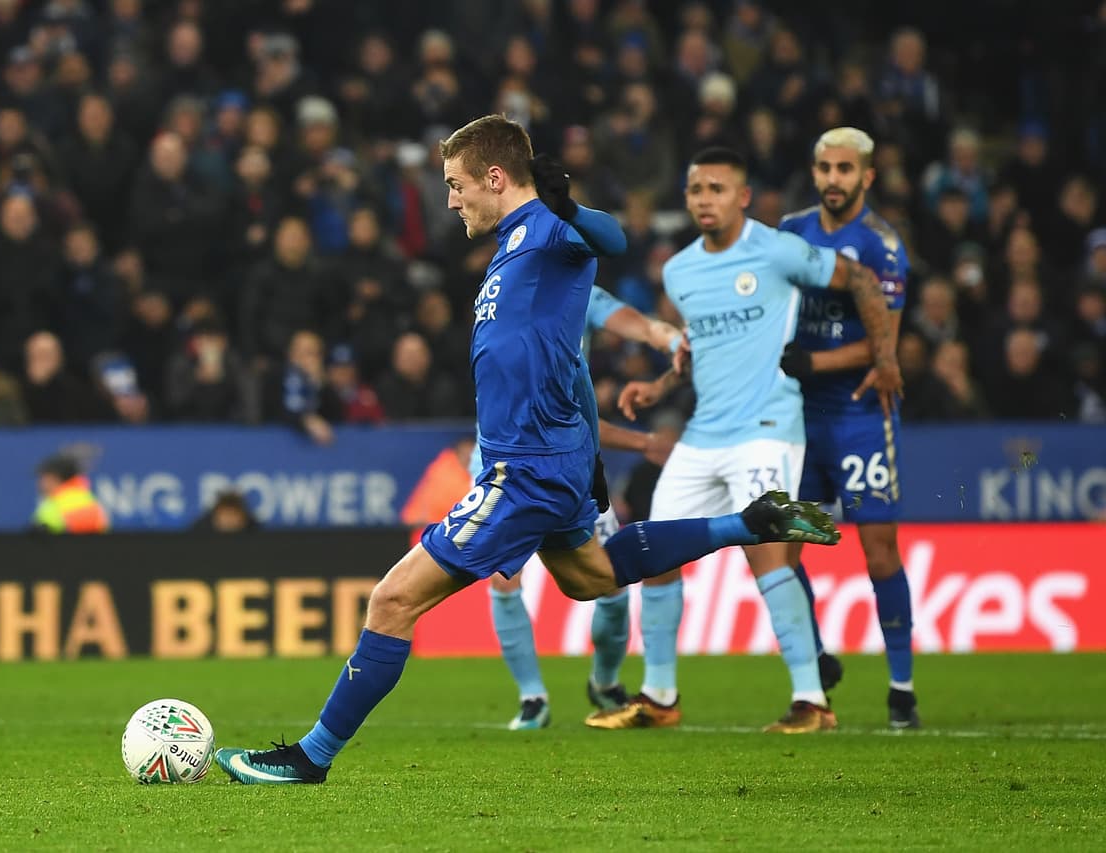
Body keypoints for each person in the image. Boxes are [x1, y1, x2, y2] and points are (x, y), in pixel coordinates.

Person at [214, 115, 840, 785]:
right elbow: (556, 357)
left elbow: (614, 236)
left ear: (494, 177)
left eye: (455, 185)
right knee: (589, 576)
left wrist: (565, 203)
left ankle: (310, 757)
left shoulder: (547, 229)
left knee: (392, 601)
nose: (450, 199)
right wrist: (588, 451)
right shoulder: (514, 246)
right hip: (554, 458)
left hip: (525, 468)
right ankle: (746, 523)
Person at [597, 146, 899, 735]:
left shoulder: (777, 250)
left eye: (715, 188)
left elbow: (860, 278)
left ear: (742, 197)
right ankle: (659, 696)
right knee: (656, 555)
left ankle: (812, 701)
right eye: (694, 189)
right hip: (704, 431)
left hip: (767, 428)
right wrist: (661, 385)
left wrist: (883, 355)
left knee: (766, 555)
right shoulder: (680, 270)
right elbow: (699, 347)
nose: (703, 199)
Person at [488, 284, 685, 731]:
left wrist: (669, 339)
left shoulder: (578, 289)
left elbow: (634, 323)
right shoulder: (502, 290)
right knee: (505, 578)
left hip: (573, 464)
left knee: (612, 587)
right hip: (509, 459)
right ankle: (532, 698)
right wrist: (645, 442)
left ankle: (605, 680)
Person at [776, 127, 919, 729]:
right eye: (824, 168)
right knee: (781, 548)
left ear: (867, 177)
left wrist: (814, 362)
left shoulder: (882, 247)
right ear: (814, 172)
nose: (833, 178)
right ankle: (816, 662)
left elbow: (884, 348)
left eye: (845, 169)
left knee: (878, 546)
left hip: (859, 412)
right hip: (794, 416)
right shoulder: (790, 232)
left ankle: (901, 687)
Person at [31, 453, 110, 534]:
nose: (39, 483)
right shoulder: (87, 499)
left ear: (54, 478)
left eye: (42, 477)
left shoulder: (62, 504)